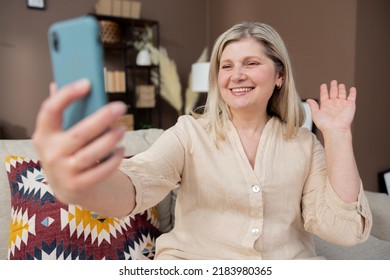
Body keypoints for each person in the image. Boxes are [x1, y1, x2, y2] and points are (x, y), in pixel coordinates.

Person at [33, 22, 372, 259]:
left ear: (279, 75)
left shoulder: (303, 145)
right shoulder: (188, 133)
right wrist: (79, 184)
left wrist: (338, 134)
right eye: (226, 66)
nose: (236, 75)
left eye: (251, 63)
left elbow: (344, 232)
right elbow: (138, 184)